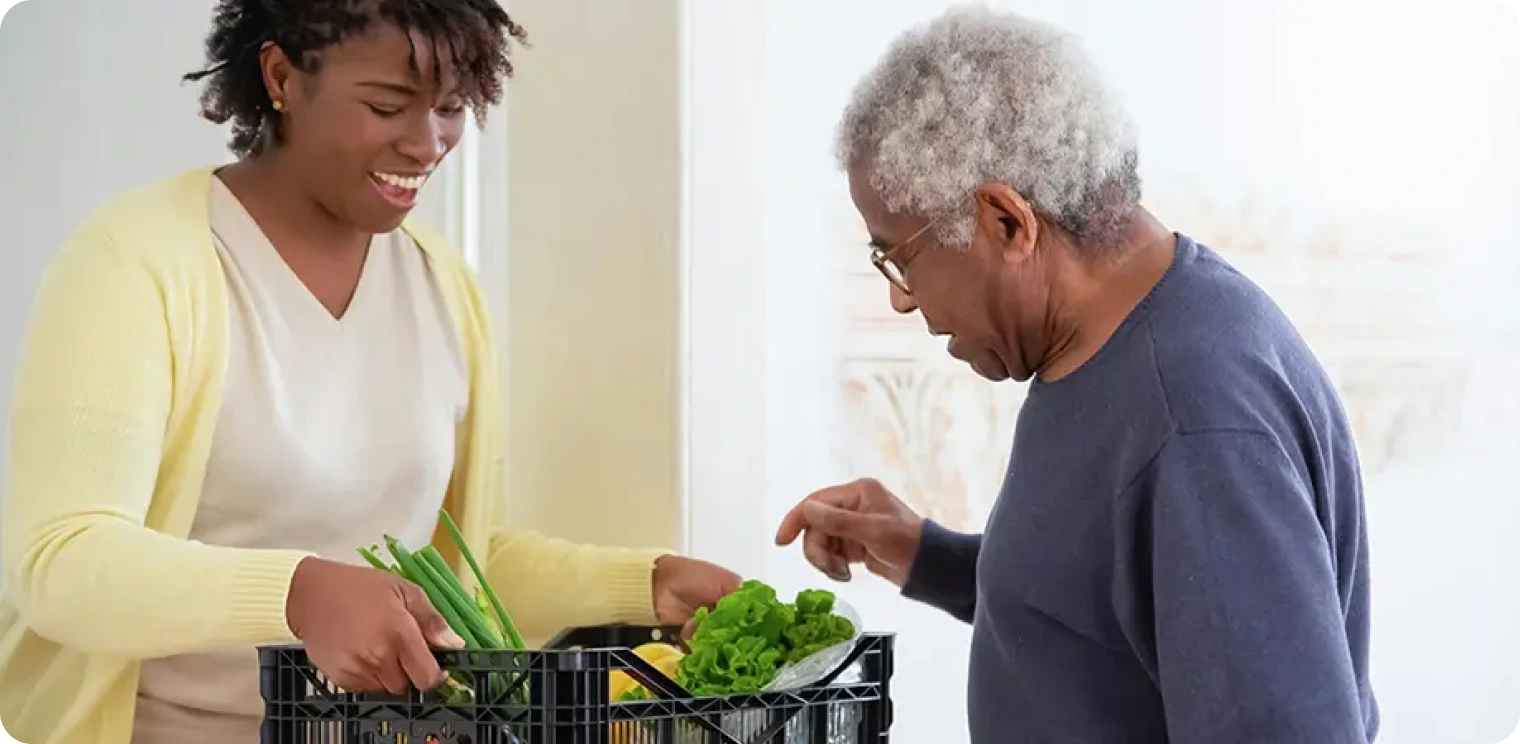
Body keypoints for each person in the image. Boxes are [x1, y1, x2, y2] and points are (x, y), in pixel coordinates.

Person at [0, 2, 740, 743]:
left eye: (451, 109)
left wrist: (647, 583)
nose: (426, 144)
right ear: (281, 76)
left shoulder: (442, 286)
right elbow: (62, 562)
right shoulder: (136, 263)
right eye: (387, 105)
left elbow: (462, 565)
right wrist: (297, 592)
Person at [776, 7, 1378, 744]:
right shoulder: (1104, 348)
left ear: (1007, 222)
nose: (901, 296)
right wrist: (925, 554)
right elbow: (1107, 608)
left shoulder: (1193, 418)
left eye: (899, 256)